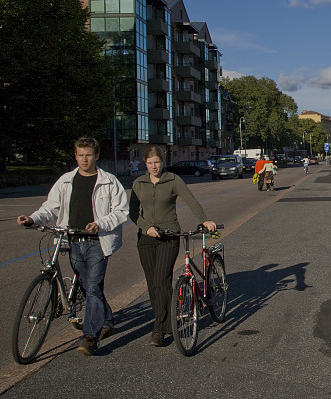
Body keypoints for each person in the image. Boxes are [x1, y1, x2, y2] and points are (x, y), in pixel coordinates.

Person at [17, 137, 128, 356]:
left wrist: (100, 224)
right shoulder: (66, 180)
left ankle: (89, 337)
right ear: (75, 156)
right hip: (73, 240)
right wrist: (32, 219)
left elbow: (121, 211)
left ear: (96, 156)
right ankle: (106, 319)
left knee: (93, 287)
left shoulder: (109, 181)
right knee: (88, 287)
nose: (84, 159)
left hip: (98, 242)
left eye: (88, 155)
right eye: (80, 155)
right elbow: (50, 207)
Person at [129, 145, 216, 347]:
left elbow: (191, 201)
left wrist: (204, 220)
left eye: (157, 162)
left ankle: (159, 328)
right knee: (153, 283)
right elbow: (133, 212)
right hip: (146, 238)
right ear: (145, 163)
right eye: (150, 163)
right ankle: (167, 322)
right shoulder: (139, 183)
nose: (153, 166)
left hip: (169, 236)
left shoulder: (173, 180)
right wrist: (146, 227)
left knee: (161, 279)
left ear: (163, 162)